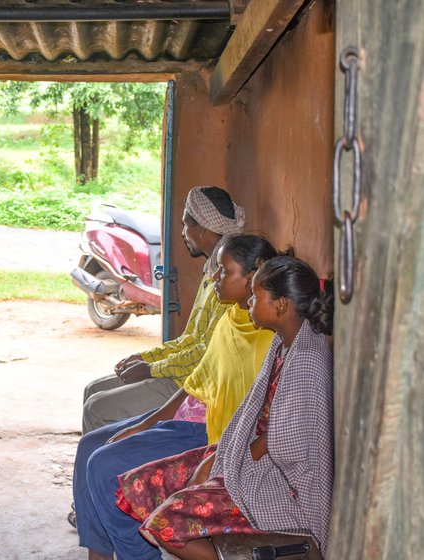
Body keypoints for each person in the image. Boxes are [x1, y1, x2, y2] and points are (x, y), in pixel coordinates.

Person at [74, 235, 279, 560]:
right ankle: (99, 554)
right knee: (90, 446)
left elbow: (258, 423)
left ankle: (138, 555)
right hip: (190, 417)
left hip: (211, 436)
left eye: (224, 272)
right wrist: (144, 425)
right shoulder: (231, 319)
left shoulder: (268, 336)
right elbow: (195, 384)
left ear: (253, 276)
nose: (214, 278)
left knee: (103, 465)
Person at [115, 256, 333, 560]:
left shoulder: (308, 356)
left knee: (165, 525)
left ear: (281, 305)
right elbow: (255, 413)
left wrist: (233, 464)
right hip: (252, 456)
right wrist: (224, 454)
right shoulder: (284, 342)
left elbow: (287, 441)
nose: (250, 302)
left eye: (257, 296)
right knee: (143, 482)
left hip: (282, 483)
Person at [82, 186, 246, 435]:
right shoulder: (212, 270)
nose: (183, 233)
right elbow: (191, 339)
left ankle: (109, 464)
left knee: (97, 407)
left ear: (202, 227)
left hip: (190, 384)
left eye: (185, 224)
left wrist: (151, 368)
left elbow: (204, 355)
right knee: (92, 389)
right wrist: (147, 357)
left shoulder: (226, 281)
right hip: (181, 373)